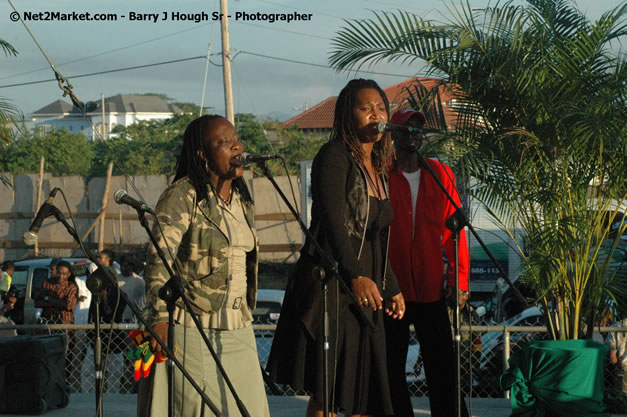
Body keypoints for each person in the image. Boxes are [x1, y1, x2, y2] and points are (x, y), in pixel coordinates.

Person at [267, 79, 406, 417]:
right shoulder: (334, 156)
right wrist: (356, 276)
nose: (376, 114)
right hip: (335, 289)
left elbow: (376, 237)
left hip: (366, 292)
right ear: (348, 115)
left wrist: (391, 285)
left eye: (380, 107)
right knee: (328, 396)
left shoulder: (378, 167)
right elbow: (332, 224)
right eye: (365, 108)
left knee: (363, 395)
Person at [138, 115, 270, 417]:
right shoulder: (183, 195)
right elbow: (159, 256)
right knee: (197, 408)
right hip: (193, 323)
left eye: (236, 139)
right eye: (224, 142)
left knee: (251, 408)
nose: (236, 146)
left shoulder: (242, 199)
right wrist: (159, 318)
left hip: (238, 322)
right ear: (203, 154)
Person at [384, 108, 470, 417]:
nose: (415, 133)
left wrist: (458, 280)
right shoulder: (381, 175)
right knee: (391, 368)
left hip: (432, 287)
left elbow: (454, 233)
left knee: (443, 368)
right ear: (392, 133)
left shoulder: (440, 173)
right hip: (392, 290)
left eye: (419, 128)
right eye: (408, 127)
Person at [609, 316, 627, 395]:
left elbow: (613, 356)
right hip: (623, 367)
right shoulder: (615, 327)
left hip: (622, 367)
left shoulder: (615, 327)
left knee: (622, 396)